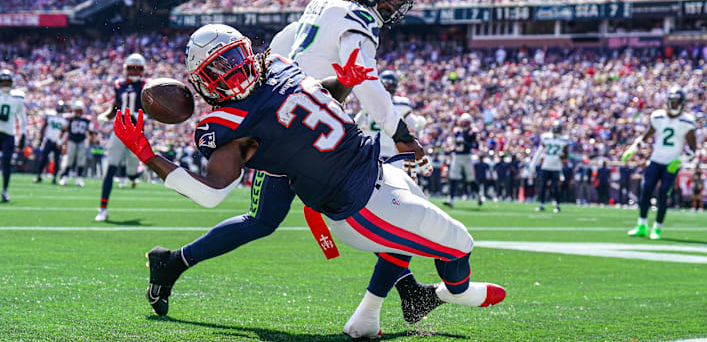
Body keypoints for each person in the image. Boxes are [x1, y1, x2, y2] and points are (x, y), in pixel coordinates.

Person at [116, 25, 505, 339]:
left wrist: (345, 82)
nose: (232, 72)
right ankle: (452, 292)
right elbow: (210, 193)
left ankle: (380, 312)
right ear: (202, 83)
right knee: (451, 242)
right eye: (219, 69)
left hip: (373, 166)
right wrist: (146, 153)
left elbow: (317, 100)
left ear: (249, 52)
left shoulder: (281, 66)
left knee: (408, 234)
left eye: (233, 60)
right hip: (354, 202)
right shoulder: (227, 125)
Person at [140, 0, 439, 334]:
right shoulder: (358, 18)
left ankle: (407, 290)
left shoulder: (321, 7)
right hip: (297, 129)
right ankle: (174, 262)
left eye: (398, 3)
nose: (391, 8)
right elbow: (364, 81)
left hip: (300, 121)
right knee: (354, 201)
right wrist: (400, 133)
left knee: (339, 203)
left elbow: (280, 49)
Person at [622, 87, 697, 240]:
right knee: (646, 190)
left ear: (682, 104)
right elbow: (646, 135)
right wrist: (633, 148)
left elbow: (693, 150)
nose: (675, 106)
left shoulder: (687, 121)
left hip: (671, 163)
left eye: (677, 103)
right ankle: (641, 225)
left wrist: (679, 161)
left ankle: (657, 228)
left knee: (663, 193)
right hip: (655, 160)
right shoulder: (658, 117)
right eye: (673, 102)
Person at [95, 53, 148, 222]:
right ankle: (102, 209)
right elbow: (115, 107)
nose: (133, 71)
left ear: (142, 70)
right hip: (119, 130)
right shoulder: (118, 85)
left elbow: (153, 109)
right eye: (131, 67)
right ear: (126, 69)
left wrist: (148, 116)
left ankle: (136, 173)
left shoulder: (148, 86)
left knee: (131, 173)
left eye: (136, 68)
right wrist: (106, 116)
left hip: (137, 132)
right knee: (110, 168)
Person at [355, 70, 426, 163]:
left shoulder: (370, 101)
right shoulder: (401, 105)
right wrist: (421, 122)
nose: (387, 88)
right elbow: (416, 126)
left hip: (370, 151)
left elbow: (355, 124)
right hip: (390, 154)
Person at [530, 121, 569, 213]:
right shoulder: (546, 137)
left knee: (555, 187)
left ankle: (557, 205)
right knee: (543, 186)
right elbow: (540, 150)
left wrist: (561, 156)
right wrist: (534, 162)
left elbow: (566, 155)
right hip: (546, 165)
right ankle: (542, 204)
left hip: (556, 166)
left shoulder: (563, 139)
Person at [0, 69, 26, 202]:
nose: (5, 84)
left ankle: (5, 190)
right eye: (3, 81)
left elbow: (22, 118)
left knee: (6, 164)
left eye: (7, 82)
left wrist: (23, 134)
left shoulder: (17, 98)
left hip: (9, 134)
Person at [443, 113, 478, 208]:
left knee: (471, 179)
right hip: (457, 157)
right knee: (453, 178)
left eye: (465, 122)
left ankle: (478, 195)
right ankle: (450, 199)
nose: (463, 124)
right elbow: (457, 145)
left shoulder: (473, 132)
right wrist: (451, 149)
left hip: (467, 157)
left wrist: (466, 143)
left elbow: (476, 146)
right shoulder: (457, 131)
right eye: (462, 122)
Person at [58, 100, 93, 186]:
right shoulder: (70, 118)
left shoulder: (86, 119)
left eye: (79, 110)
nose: (78, 112)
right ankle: (65, 177)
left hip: (82, 141)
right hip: (72, 141)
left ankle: (79, 178)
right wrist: (60, 140)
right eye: (77, 110)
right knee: (70, 160)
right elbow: (64, 129)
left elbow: (91, 132)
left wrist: (91, 140)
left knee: (81, 161)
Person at [33, 100, 67, 185]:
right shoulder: (51, 117)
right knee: (44, 158)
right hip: (49, 140)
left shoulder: (64, 119)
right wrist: (40, 140)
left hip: (57, 142)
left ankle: (54, 177)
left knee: (56, 160)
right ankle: (39, 176)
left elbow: (65, 132)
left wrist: (63, 143)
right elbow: (43, 128)